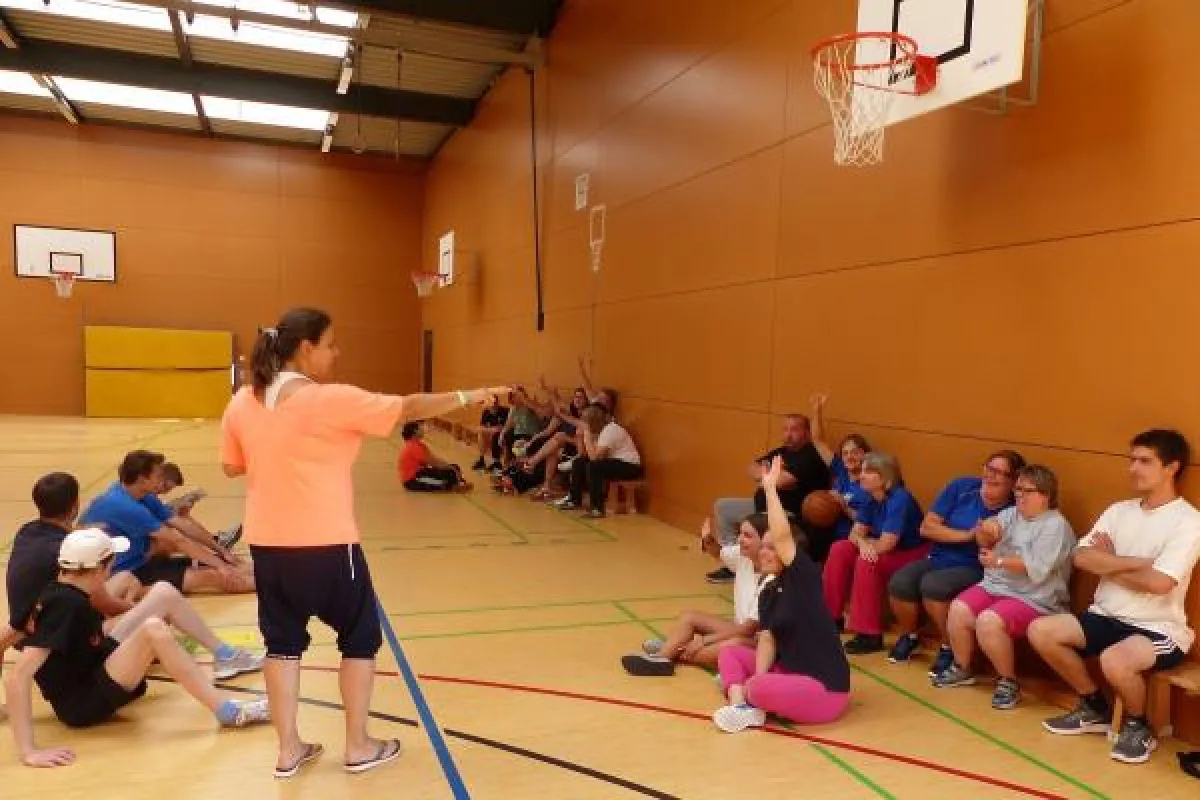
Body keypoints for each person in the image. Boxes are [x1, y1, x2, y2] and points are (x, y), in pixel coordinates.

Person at [220, 307, 508, 779]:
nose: (337, 353)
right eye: (331, 344)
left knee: (282, 645)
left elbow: (233, 466)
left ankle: (288, 750)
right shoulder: (329, 399)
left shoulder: (242, 402)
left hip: (268, 546)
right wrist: (470, 395)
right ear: (306, 348)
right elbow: (408, 407)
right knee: (359, 637)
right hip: (328, 545)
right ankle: (357, 746)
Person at [4, 528, 270, 768]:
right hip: (82, 702)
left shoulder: (57, 591)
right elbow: (18, 677)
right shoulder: (64, 607)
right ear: (99, 569)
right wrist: (29, 751)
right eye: (111, 563)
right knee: (153, 630)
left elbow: (12, 633)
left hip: (95, 665)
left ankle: (225, 656)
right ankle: (228, 711)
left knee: (163, 592)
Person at [1029, 429, 1200, 765]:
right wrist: (1137, 564)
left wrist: (1106, 564)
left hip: (1159, 629)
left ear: (1172, 467)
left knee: (1115, 660)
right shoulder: (1118, 511)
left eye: (1144, 461)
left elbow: (1160, 584)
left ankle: (1138, 725)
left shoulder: (1189, 522)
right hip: (1105, 615)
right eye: (1131, 459)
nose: (1133, 468)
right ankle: (1093, 705)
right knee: (1042, 631)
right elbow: (1080, 557)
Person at [0, 471, 262, 684]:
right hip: (61, 641)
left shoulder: (28, 532)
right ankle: (220, 654)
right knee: (154, 618)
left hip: (36, 628)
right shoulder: (70, 553)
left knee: (126, 579)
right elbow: (103, 602)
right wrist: (145, 612)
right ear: (74, 505)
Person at [712, 456, 851, 733]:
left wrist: (771, 490)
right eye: (762, 547)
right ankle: (742, 707)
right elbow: (767, 639)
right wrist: (759, 679)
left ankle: (749, 696)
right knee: (731, 654)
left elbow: (783, 536)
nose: (764, 552)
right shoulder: (769, 589)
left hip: (824, 690)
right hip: (785, 675)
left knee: (756, 684)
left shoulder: (803, 576)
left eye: (770, 547)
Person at [932, 465, 1075, 710]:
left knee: (989, 620)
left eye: (1027, 491)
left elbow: (1036, 568)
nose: (1020, 495)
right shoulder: (1011, 514)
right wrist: (985, 533)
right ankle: (963, 667)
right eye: (1018, 489)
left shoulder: (1055, 525)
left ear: (1045, 495)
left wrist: (998, 561)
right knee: (959, 608)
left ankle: (1008, 681)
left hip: (1035, 597)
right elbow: (987, 535)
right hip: (997, 586)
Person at [886, 450, 1026, 675]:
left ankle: (948, 646)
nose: (991, 476)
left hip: (975, 566)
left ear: (1012, 481)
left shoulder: (1012, 510)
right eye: (989, 469)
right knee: (900, 582)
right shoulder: (962, 487)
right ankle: (909, 635)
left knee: (934, 586)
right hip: (938, 557)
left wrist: (973, 536)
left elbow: (989, 545)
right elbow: (927, 528)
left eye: (1000, 473)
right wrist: (967, 535)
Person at [79, 450, 253, 595]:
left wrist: (221, 552)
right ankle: (274, 589)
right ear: (142, 479)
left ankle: (273, 577)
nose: (161, 480)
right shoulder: (126, 506)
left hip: (144, 559)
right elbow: (177, 539)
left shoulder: (138, 493)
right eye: (157, 476)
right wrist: (220, 566)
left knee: (232, 564)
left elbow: (180, 523)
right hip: (125, 572)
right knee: (217, 576)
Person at [621, 516, 764, 676]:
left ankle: (669, 651)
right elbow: (719, 552)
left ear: (764, 541)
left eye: (747, 536)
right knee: (690, 617)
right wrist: (708, 539)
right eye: (740, 534)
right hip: (740, 629)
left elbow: (747, 630)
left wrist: (703, 641)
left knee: (732, 645)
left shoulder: (770, 578)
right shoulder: (743, 556)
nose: (740, 539)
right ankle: (665, 655)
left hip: (760, 641)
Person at [706, 414, 832, 584]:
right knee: (724, 507)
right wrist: (767, 474)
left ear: (807, 433)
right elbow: (751, 467)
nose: (788, 434)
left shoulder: (812, 456)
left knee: (753, 527)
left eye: (794, 429)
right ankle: (732, 564)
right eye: (785, 429)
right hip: (759, 506)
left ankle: (759, 567)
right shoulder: (780, 452)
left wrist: (768, 475)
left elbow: (781, 481)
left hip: (787, 514)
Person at [823, 452, 927, 654]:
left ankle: (869, 634)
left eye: (868, 471)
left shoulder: (900, 499)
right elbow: (855, 534)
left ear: (885, 477)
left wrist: (867, 546)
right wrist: (864, 544)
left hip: (912, 552)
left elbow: (888, 543)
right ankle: (830, 617)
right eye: (862, 470)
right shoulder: (871, 497)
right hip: (884, 547)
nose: (861, 475)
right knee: (840, 548)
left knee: (867, 561)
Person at [809, 394, 873, 562]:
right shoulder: (841, 469)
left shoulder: (872, 482)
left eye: (854, 452)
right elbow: (817, 441)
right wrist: (817, 411)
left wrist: (843, 506)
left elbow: (873, 522)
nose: (849, 457)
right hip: (829, 531)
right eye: (845, 453)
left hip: (853, 539)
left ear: (866, 454)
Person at [558, 404, 642, 517]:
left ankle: (597, 509)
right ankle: (574, 500)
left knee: (594, 467)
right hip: (616, 462)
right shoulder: (602, 430)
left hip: (631, 467)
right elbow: (584, 454)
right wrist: (580, 437)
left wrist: (586, 434)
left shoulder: (610, 430)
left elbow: (594, 458)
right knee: (579, 462)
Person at [398, 423, 471, 492]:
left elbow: (433, 458)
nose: (423, 430)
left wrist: (448, 466)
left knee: (454, 467)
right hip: (413, 479)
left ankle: (459, 482)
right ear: (415, 432)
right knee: (447, 474)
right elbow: (432, 462)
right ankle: (452, 486)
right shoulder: (413, 447)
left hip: (422, 471)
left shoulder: (420, 445)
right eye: (420, 428)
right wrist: (447, 466)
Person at [471, 395, 509, 472]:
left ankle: (497, 463)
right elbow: (480, 428)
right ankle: (481, 460)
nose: (493, 405)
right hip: (492, 433)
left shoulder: (505, 411)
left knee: (496, 435)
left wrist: (492, 430)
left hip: (505, 433)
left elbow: (505, 427)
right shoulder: (486, 412)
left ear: (498, 402)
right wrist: (490, 430)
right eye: (491, 403)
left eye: (495, 402)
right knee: (481, 434)